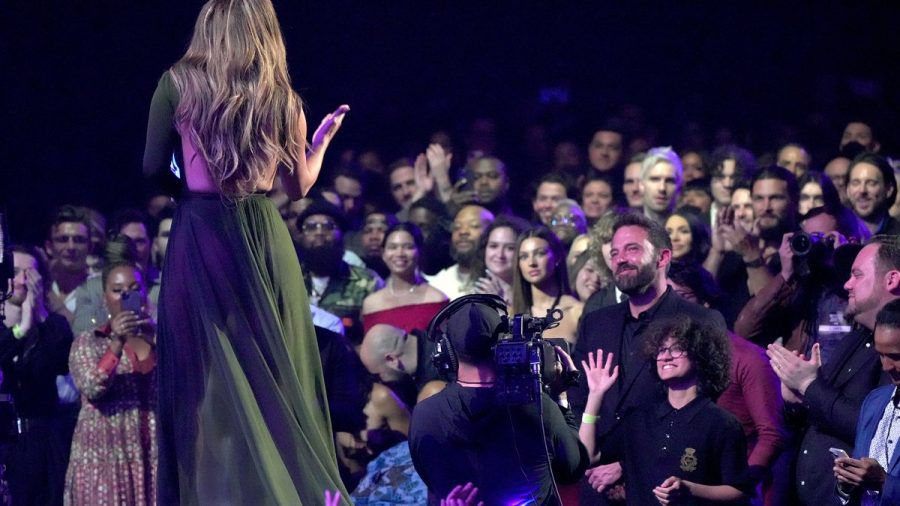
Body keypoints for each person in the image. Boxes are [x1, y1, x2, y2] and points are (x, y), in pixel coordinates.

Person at [142, 0, 350, 501]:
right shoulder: (281, 97)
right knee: (276, 373)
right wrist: (318, 146)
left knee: (205, 375)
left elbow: (151, 167)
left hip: (200, 234)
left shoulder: (178, 82)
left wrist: (187, 179)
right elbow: (298, 186)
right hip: (261, 233)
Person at [570, 212, 726, 505]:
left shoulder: (701, 321)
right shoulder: (596, 322)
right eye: (614, 253)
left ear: (662, 257)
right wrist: (591, 461)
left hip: (664, 484)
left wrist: (628, 466)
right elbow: (579, 398)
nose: (620, 259)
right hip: (596, 485)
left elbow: (705, 412)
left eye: (632, 249)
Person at [409, 296, 589, 505]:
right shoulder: (537, 406)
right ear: (504, 342)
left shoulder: (424, 415)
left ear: (446, 352)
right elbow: (572, 470)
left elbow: (431, 480)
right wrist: (560, 397)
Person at [766, 235, 900, 505]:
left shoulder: (894, 352)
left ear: (891, 280)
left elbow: (873, 428)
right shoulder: (856, 336)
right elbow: (822, 410)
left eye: (857, 275)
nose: (847, 284)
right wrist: (797, 398)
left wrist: (810, 387)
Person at [579, 315, 751, 505]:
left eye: (677, 348)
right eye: (660, 350)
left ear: (700, 354)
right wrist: (595, 395)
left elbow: (739, 491)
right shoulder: (638, 417)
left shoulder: (722, 424)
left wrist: (690, 489)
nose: (665, 356)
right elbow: (588, 455)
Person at [64, 260, 156, 504]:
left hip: (150, 456)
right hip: (103, 458)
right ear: (105, 298)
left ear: (145, 293)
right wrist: (116, 342)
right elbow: (92, 387)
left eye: (135, 288)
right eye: (117, 290)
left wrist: (159, 338)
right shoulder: (89, 342)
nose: (127, 295)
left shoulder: (160, 342)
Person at [0, 246, 75, 506]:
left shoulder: (53, 326)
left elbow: (63, 362)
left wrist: (40, 313)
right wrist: (21, 329)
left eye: (29, 273)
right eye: (15, 272)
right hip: (8, 442)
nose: (22, 280)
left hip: (44, 439)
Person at [834, 298, 900, 505]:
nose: (886, 366)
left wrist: (883, 482)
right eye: (880, 355)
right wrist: (847, 482)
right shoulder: (875, 401)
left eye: (895, 356)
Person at [361, 223, 448, 335]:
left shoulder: (437, 299)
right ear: (383, 253)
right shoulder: (371, 303)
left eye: (408, 247)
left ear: (419, 251)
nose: (400, 253)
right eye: (393, 247)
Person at [511, 227, 584, 345]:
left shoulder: (576, 312)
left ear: (557, 257)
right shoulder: (511, 315)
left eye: (540, 253)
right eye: (524, 257)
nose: (532, 263)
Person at [471, 217, 530, 306]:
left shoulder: (532, 295)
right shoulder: (474, 292)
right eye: (493, 246)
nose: (500, 255)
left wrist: (498, 303)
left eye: (510, 248)